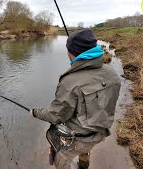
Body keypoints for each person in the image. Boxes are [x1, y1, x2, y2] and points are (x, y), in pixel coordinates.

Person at [30, 29, 121, 169]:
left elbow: (56, 116)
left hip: (80, 139)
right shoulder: (111, 73)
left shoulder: (70, 82)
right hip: (101, 131)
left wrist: (35, 112)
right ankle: (84, 165)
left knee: (60, 158)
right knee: (85, 149)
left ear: (72, 52)